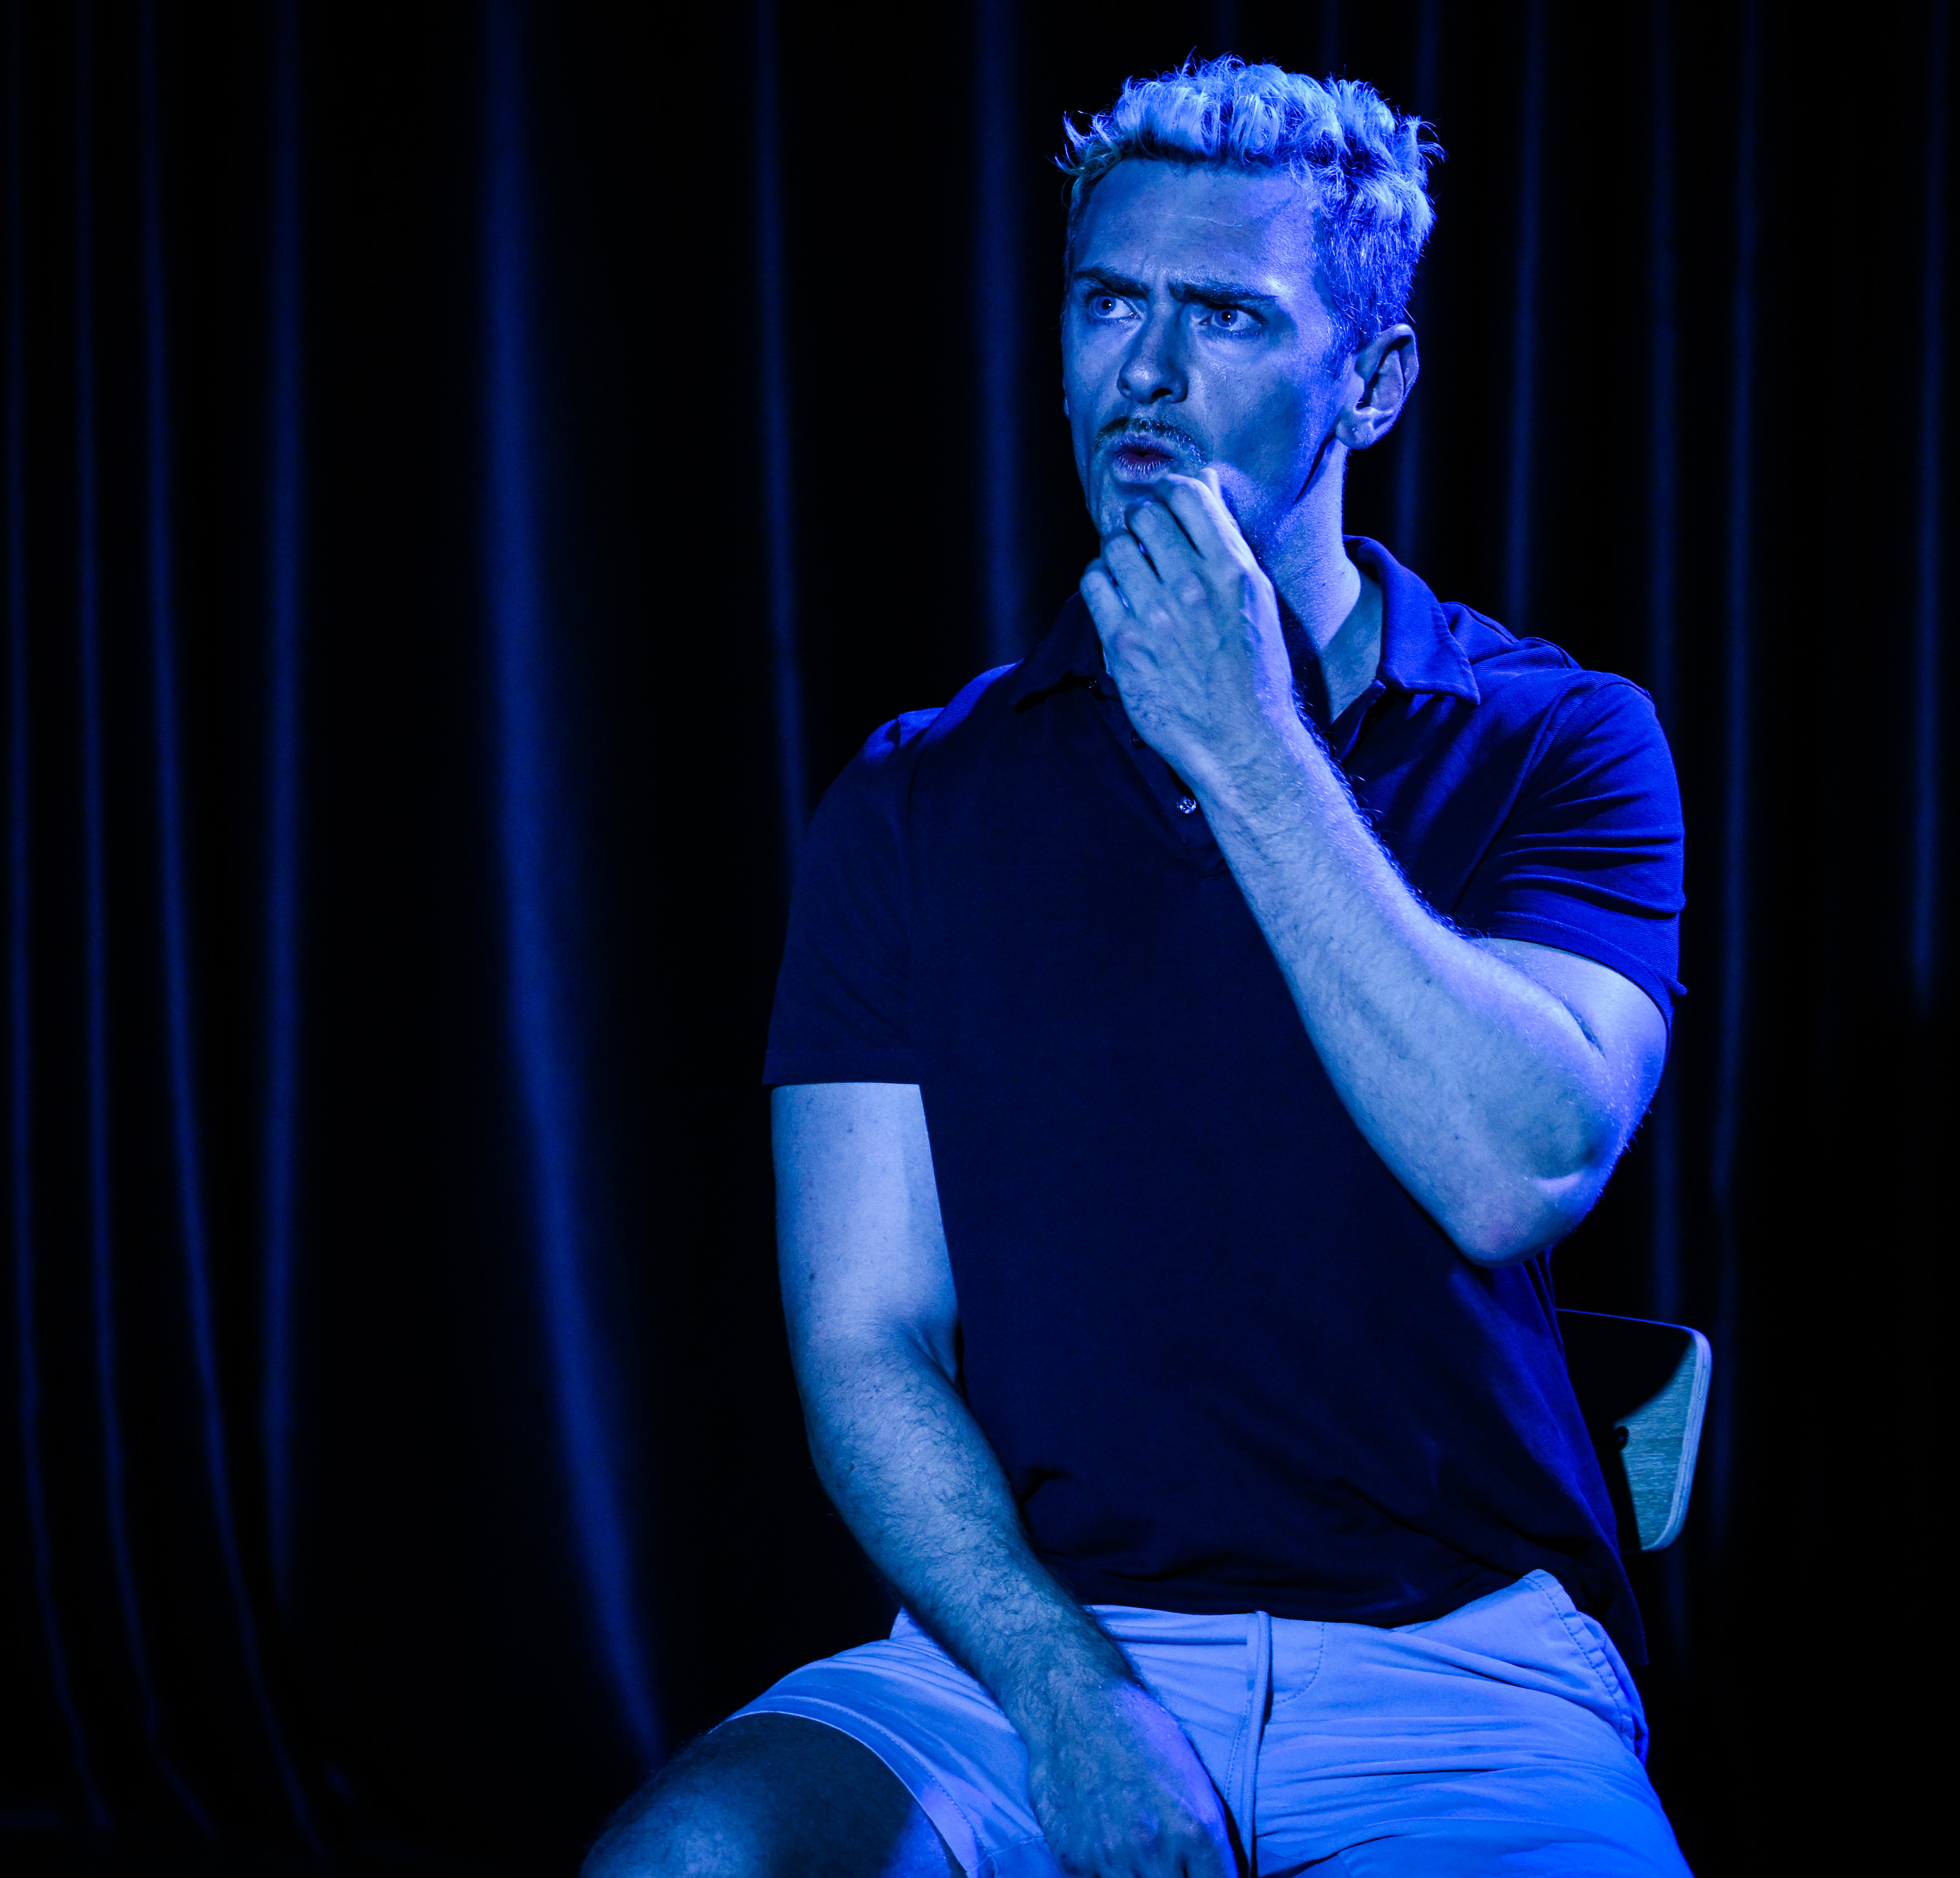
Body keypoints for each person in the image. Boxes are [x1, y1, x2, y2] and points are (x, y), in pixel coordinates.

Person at [588, 55, 1692, 1878]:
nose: (1148, 375)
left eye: (1228, 317)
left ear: (1374, 381)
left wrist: (1246, 739)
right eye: (1109, 305)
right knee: (690, 1861)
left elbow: (1516, 1166)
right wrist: (1067, 1692)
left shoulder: (1557, 741)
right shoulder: (919, 797)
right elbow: (867, 1342)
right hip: (1024, 1657)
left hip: (1456, 1672)